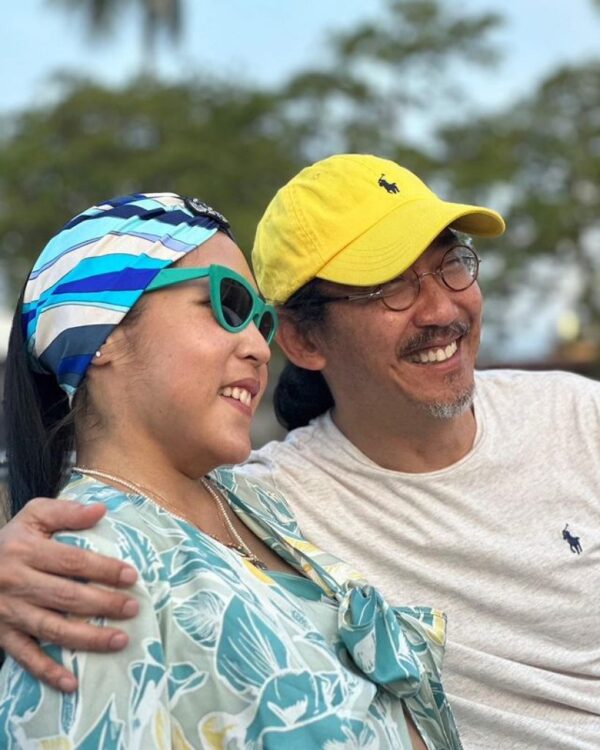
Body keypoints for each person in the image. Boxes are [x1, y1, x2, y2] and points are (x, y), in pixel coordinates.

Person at [1, 154, 598, 749]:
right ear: (306, 340)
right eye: (390, 286)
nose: (257, 348)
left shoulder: (249, 507)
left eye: (452, 265)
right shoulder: (91, 564)